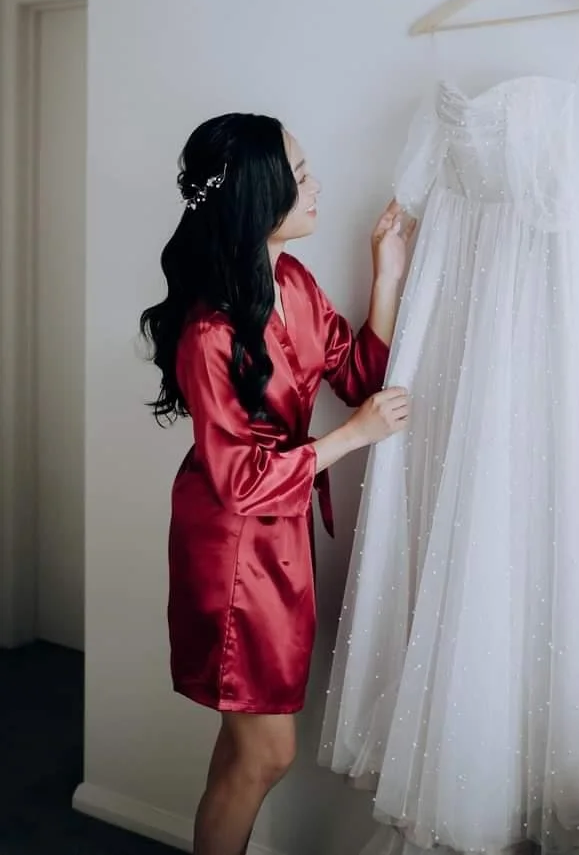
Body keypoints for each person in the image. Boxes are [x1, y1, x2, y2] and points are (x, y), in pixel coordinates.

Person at [140, 112, 413, 855]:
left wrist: (384, 271)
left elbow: (357, 375)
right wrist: (353, 435)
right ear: (258, 196)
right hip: (231, 549)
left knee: (242, 750)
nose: (316, 184)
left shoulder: (291, 278)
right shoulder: (209, 333)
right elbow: (238, 479)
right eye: (299, 175)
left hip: (279, 538)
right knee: (267, 752)